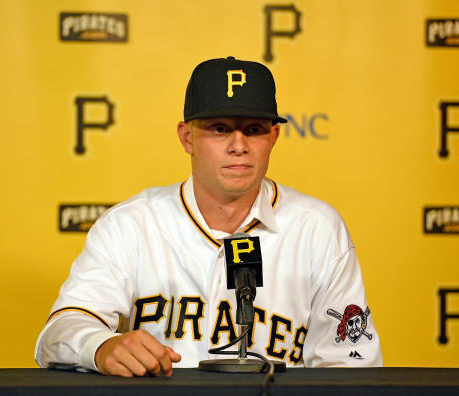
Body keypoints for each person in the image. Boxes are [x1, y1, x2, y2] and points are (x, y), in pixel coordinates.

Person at [35, 57, 383, 377]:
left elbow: (350, 361)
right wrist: (99, 347)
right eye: (219, 128)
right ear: (187, 137)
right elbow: (59, 332)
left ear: (274, 137)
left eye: (254, 129)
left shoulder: (317, 228)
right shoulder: (132, 224)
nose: (238, 144)